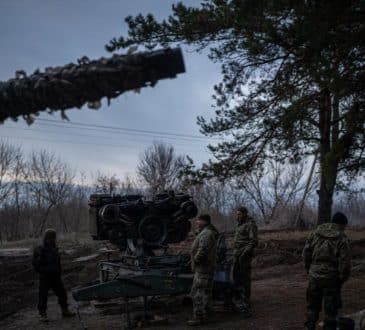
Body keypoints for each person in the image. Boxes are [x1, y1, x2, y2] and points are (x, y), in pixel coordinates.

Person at [302, 212, 352, 330]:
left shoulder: (314, 234)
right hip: (332, 279)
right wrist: (341, 278)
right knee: (331, 311)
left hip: (314, 276)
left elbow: (305, 255)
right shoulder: (342, 239)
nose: (344, 229)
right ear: (341, 225)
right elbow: (345, 264)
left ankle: (309, 327)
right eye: (344, 226)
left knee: (312, 307)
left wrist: (310, 270)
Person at [32, 228, 75, 322]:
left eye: (53, 238)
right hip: (45, 277)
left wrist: (58, 271)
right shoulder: (40, 249)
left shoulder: (54, 248)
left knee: (62, 294)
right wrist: (43, 271)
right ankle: (42, 315)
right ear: (47, 238)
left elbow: (57, 262)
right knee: (43, 296)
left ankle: (65, 310)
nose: (53, 240)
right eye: (51, 238)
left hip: (55, 276)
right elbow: (35, 264)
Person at [187, 214, 219, 326]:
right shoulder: (205, 232)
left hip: (203, 268)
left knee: (197, 293)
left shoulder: (206, 234)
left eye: (198, 220)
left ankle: (199, 317)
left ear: (204, 221)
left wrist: (195, 260)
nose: (196, 222)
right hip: (205, 268)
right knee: (206, 292)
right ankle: (209, 315)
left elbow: (203, 250)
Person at [232, 206, 258, 317]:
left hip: (244, 255)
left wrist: (244, 253)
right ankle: (238, 298)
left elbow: (253, 241)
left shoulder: (250, 225)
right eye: (237, 214)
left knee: (245, 277)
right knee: (236, 276)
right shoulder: (239, 224)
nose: (237, 216)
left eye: (239, 214)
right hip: (237, 254)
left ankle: (246, 299)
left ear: (245, 214)